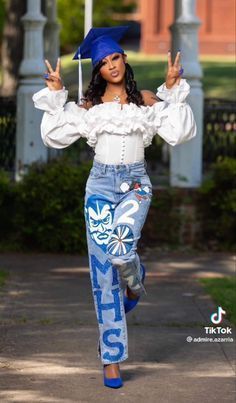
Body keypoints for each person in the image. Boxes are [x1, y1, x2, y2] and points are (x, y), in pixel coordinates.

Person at [32, 25, 197, 389]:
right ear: (98, 70)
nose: (112, 65)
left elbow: (179, 131)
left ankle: (135, 282)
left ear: (125, 59)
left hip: (136, 183)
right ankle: (112, 359)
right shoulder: (90, 106)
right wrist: (56, 94)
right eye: (104, 62)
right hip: (100, 187)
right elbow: (54, 134)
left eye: (116, 57)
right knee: (102, 271)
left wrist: (173, 88)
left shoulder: (147, 100)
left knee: (122, 248)